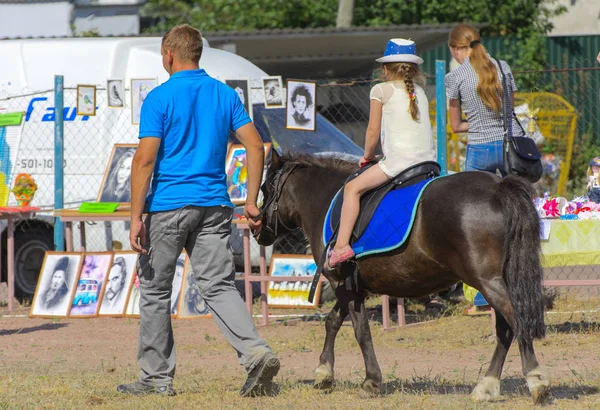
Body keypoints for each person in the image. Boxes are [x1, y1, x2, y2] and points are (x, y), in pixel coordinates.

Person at [119, 24, 279, 397]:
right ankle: (256, 354)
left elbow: (144, 160)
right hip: (214, 205)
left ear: (169, 55)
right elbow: (255, 147)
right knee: (219, 286)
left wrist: (135, 217)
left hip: (168, 207)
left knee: (156, 291)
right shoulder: (225, 94)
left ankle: (156, 379)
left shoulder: (159, 97)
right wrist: (252, 200)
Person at [325, 38, 435, 268]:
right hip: (428, 162)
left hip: (400, 163)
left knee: (352, 189)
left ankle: (342, 246)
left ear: (385, 69)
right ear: (414, 69)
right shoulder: (420, 93)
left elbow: (373, 130)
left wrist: (367, 156)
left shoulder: (380, 90)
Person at [445, 23, 524, 175]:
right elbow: (510, 110)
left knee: (474, 197)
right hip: (511, 145)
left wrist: (477, 122)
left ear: (455, 49)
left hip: (480, 148)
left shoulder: (455, 77)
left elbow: (456, 126)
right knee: (516, 196)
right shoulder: (503, 67)